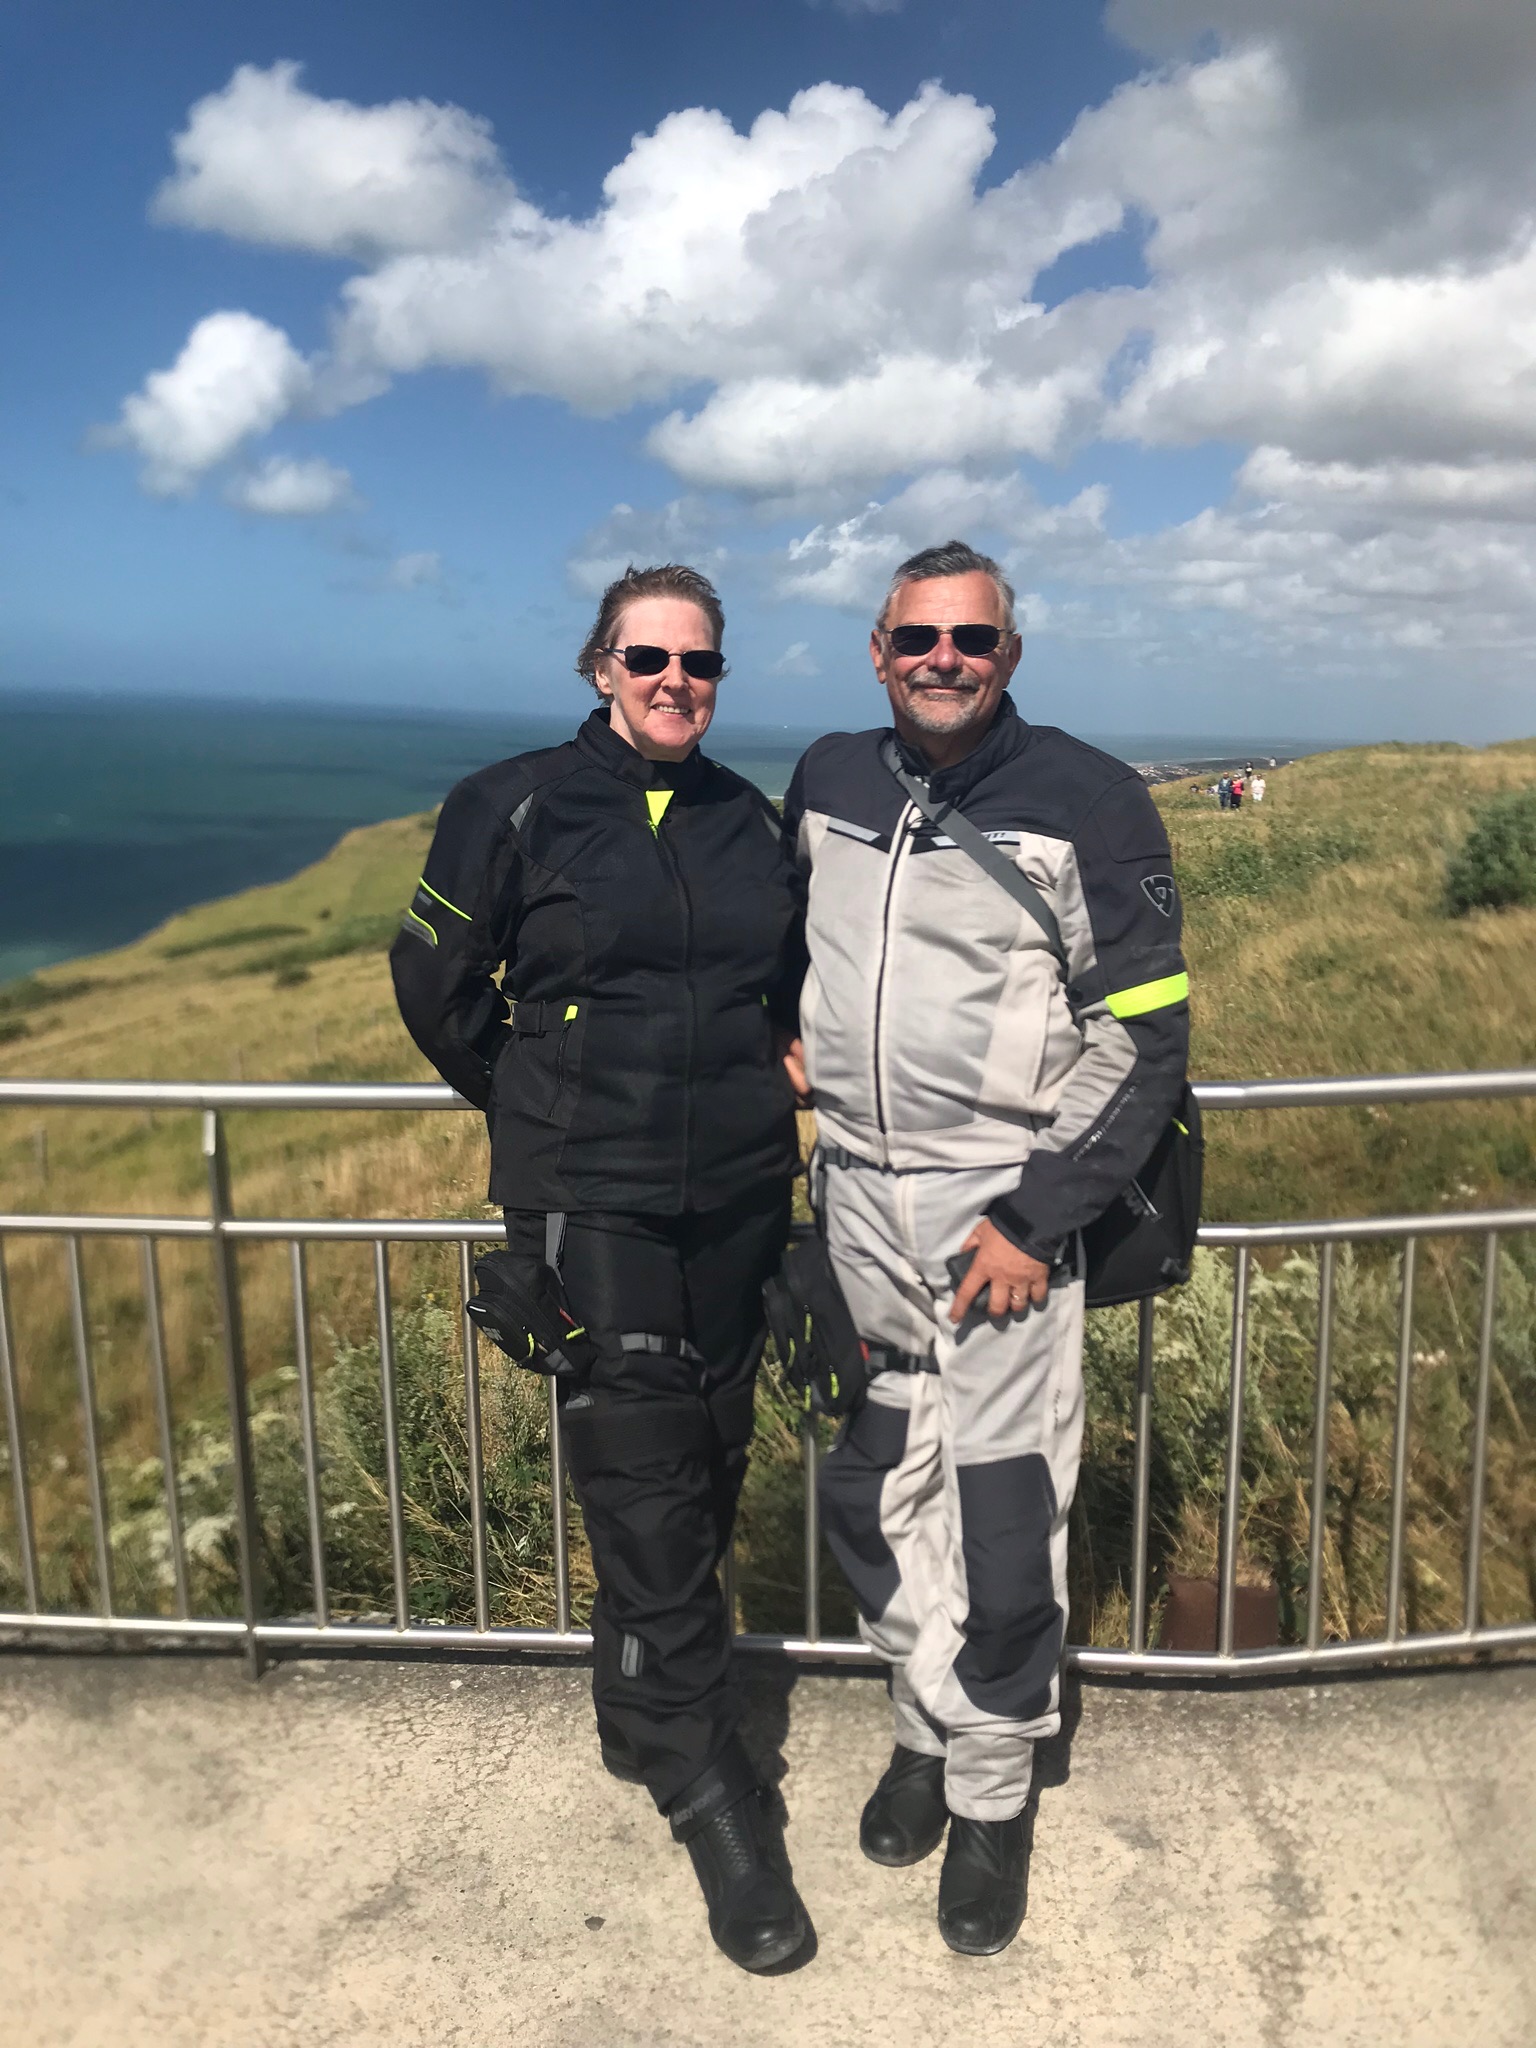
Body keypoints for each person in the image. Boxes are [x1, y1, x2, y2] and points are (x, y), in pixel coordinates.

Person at [391, 563, 811, 1973]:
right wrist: (542, 1106)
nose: (675, 682)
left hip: (739, 1194)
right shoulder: (509, 805)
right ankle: (711, 1788)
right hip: (592, 1205)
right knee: (643, 1483)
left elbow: (782, 995)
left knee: (713, 1460)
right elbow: (436, 988)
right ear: (599, 669)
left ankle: (637, 1712)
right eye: (649, 660)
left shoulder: (749, 820)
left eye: (700, 663)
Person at [781, 540, 1188, 1956]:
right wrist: (785, 1039)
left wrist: (1033, 1215)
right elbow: (795, 947)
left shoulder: (1090, 798)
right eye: (918, 638)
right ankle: (927, 1723)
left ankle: (995, 1789)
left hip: (999, 1215)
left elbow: (1146, 1038)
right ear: (877, 650)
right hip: (855, 1202)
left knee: (1003, 1511)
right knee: (874, 1486)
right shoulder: (828, 776)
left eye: (972, 639)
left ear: (1010, 655)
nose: (942, 659)